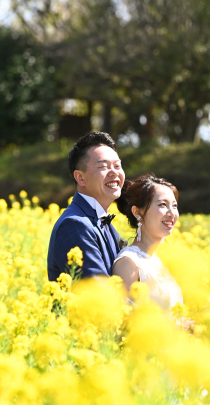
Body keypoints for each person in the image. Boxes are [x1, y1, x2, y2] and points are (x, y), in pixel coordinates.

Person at [47, 132, 125, 281]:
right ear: (80, 178)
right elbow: (98, 294)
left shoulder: (101, 221)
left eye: (117, 165)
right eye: (103, 166)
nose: (114, 172)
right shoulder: (75, 225)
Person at [113, 174, 183, 311]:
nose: (171, 213)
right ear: (137, 212)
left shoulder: (157, 262)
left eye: (174, 206)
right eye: (163, 204)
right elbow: (124, 321)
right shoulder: (128, 263)